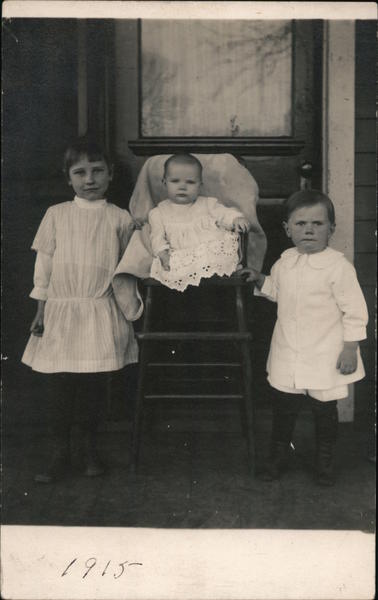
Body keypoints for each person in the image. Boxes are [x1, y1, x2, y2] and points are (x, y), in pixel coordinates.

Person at [22, 137, 142, 483]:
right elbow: (43, 267)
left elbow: (127, 267)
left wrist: (124, 309)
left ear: (111, 174)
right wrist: (41, 309)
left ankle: (90, 450)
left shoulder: (120, 219)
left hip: (98, 310)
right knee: (60, 387)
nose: (89, 179)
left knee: (92, 387)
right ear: (68, 178)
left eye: (97, 171)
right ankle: (61, 453)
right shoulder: (56, 215)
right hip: (61, 311)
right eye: (80, 172)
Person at [241, 189, 369, 486]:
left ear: (331, 229)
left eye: (317, 224)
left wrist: (350, 348)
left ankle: (324, 461)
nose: (309, 230)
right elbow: (277, 291)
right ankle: (279, 456)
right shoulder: (285, 261)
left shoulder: (338, 267)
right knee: (284, 406)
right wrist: (261, 280)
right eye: (300, 224)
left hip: (326, 352)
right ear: (287, 229)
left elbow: (355, 311)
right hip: (289, 349)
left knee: (324, 409)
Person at [148, 154, 250, 291]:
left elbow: (224, 213)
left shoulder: (207, 204)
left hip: (207, 253)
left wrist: (236, 218)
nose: (182, 187)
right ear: (164, 182)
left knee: (211, 255)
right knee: (174, 267)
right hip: (180, 255)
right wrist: (162, 253)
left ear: (200, 185)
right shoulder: (158, 212)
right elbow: (157, 237)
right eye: (175, 181)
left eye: (190, 182)